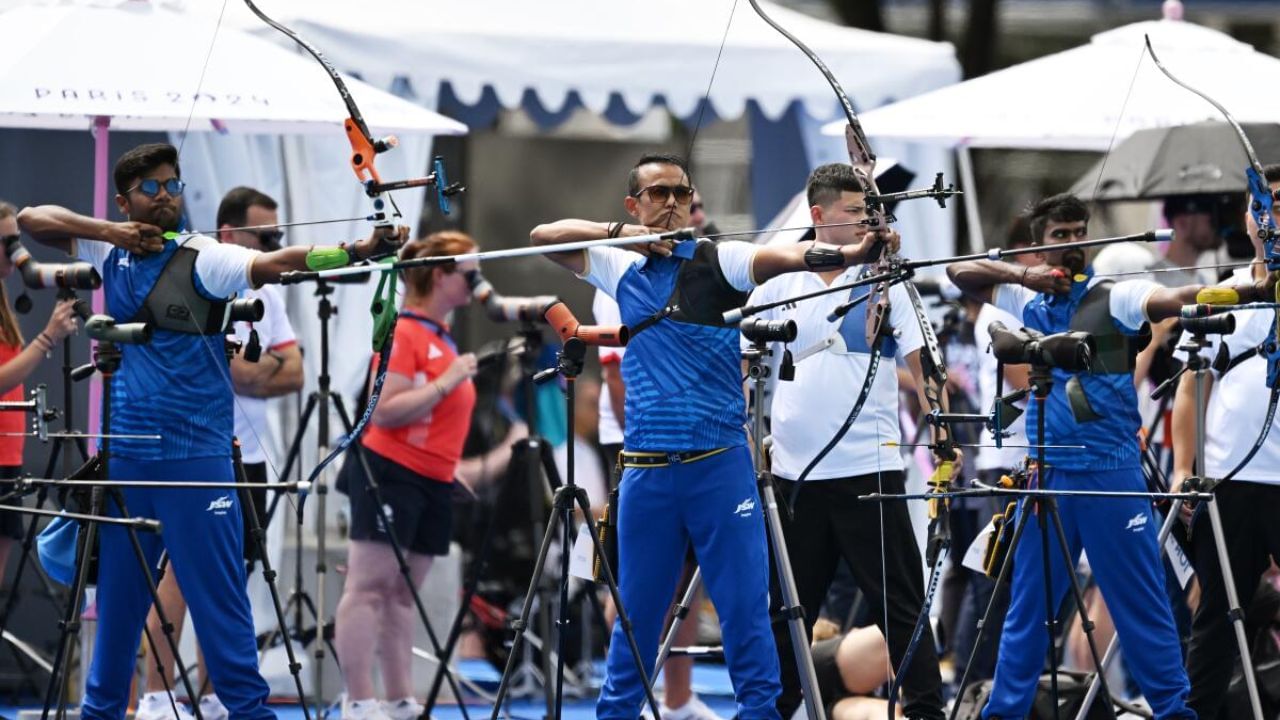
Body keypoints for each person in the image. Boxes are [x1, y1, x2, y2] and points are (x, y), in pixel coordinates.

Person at [17, 142, 406, 720]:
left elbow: (280, 263)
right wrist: (112, 231)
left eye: (174, 185)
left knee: (221, 612)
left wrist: (361, 248)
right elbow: (29, 220)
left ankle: (249, 713)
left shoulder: (203, 255)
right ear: (126, 201)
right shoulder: (108, 245)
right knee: (117, 614)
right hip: (127, 458)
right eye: (153, 188)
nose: (169, 196)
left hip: (196, 464)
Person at [530, 152, 888, 720]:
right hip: (647, 472)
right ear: (634, 204)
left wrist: (852, 253)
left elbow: (791, 256)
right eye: (658, 194)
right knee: (638, 619)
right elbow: (543, 235)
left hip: (719, 469)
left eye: (680, 193)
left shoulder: (722, 259)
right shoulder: (616, 266)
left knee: (746, 613)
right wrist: (625, 235)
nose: (671, 203)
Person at [945, 192, 1270, 720]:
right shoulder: (1020, 298)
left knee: (1141, 609)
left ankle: (1173, 713)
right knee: (1027, 611)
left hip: (1110, 478)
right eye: (1060, 236)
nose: (1073, 245)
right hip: (1047, 477)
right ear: (1037, 245)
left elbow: (1180, 297)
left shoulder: (1112, 295)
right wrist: (1027, 277)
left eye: (1080, 234)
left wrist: (1255, 288)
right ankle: (1003, 714)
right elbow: (961, 273)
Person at [743, 163, 957, 720]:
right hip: (795, 476)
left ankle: (928, 712)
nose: (867, 221)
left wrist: (942, 430)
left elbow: (923, 359)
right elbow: (749, 368)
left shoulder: (888, 280)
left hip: (870, 471)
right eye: (855, 212)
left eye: (870, 212)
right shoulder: (782, 280)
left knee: (901, 607)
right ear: (818, 217)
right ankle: (773, 709)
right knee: (787, 610)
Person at [135, 186, 305, 720]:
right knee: (180, 576)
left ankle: (213, 698)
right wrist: (260, 371)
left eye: (279, 237)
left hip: (246, 456)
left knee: (230, 579)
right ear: (230, 234)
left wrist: (253, 373)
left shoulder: (268, 292)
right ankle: (157, 698)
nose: (275, 244)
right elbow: (219, 369)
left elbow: (294, 372)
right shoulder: (193, 279)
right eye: (266, 236)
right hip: (193, 452)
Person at [332, 231, 480, 720]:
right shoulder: (408, 333)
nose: (478, 282)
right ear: (441, 276)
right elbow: (387, 412)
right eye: (470, 272)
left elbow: (434, 422)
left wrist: (446, 468)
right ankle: (358, 700)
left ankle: (397, 699)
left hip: (432, 480)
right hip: (390, 474)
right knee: (369, 588)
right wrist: (447, 381)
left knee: (400, 594)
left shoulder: (441, 335)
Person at [593, 217, 722, 720]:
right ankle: (636, 693)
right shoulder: (623, 273)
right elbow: (616, 378)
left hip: (692, 449)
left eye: (694, 208)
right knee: (638, 583)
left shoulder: (697, 275)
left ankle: (677, 699)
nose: (688, 220)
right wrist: (643, 445)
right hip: (637, 449)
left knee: (686, 577)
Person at [1170, 163, 1280, 719]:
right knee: (1215, 614)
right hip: (1231, 482)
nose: (1273, 215)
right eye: (1264, 204)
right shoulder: (1223, 293)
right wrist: (1182, 469)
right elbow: (1190, 386)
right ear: (1248, 217)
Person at [0, 202, 78, 585]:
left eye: (17, 239)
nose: (16, 251)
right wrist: (49, 337)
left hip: (7, 453)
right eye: (7, 242)